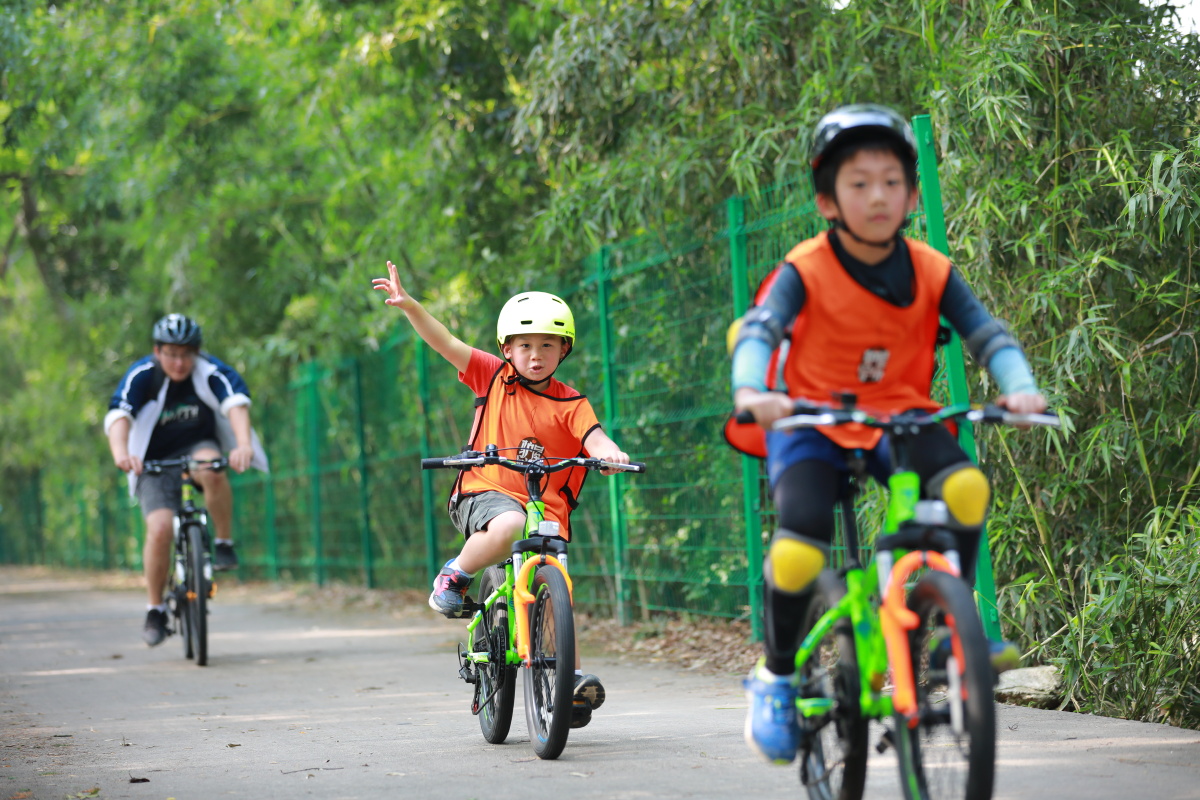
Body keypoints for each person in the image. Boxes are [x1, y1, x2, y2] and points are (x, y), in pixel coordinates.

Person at [728, 104, 1047, 765]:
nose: (878, 195)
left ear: (909, 191)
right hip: (807, 420)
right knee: (796, 549)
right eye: (859, 182)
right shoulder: (805, 268)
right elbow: (760, 329)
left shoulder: (932, 268)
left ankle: (955, 633)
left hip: (897, 413)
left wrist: (1018, 386)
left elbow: (987, 333)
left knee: (964, 486)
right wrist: (752, 390)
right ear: (827, 200)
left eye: (892, 181)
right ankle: (779, 678)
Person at [372, 263, 628, 729]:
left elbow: (594, 437)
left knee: (554, 577)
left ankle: (562, 673)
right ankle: (454, 577)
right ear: (506, 349)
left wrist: (610, 454)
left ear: (563, 350)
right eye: (524, 346)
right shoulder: (492, 377)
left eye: (547, 346)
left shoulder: (572, 402)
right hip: (483, 492)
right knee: (509, 524)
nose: (535, 355)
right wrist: (410, 306)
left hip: (544, 508)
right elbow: (445, 342)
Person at [104, 314, 269, 647]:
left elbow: (235, 403)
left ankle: (223, 543)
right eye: (171, 354)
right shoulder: (142, 376)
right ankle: (155, 609)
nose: (179, 362)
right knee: (161, 528)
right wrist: (121, 453)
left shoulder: (210, 371)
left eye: (186, 354)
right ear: (157, 351)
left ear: (196, 352)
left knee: (211, 467)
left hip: (198, 447)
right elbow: (119, 415)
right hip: (152, 460)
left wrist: (243, 445)